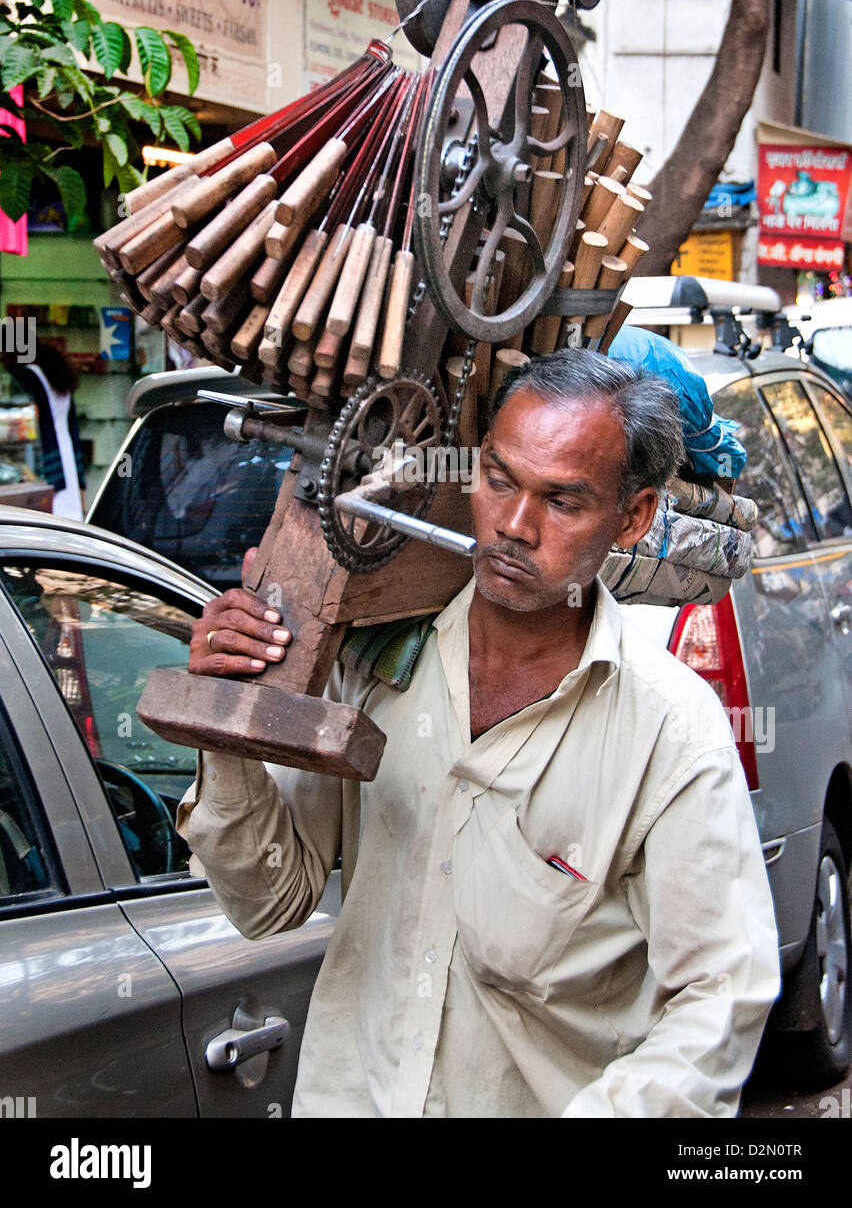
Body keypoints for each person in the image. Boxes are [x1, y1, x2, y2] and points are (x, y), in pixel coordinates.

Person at [177, 348, 780, 1118]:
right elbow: (269, 904)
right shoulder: (375, 661)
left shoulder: (669, 730)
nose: (515, 527)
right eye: (499, 479)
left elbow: (720, 996)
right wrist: (228, 724)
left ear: (633, 516)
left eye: (563, 502)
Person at [8, 343, 86, 519]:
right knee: (68, 519)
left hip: (46, 456)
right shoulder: (57, 377)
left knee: (51, 516)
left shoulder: (27, 376)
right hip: (66, 457)